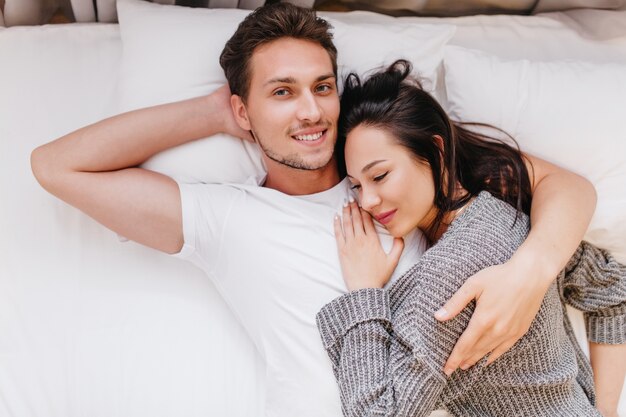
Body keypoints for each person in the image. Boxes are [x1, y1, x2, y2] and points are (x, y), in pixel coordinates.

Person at [30, 3, 599, 415]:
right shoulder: (228, 216)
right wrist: (214, 112)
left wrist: (532, 270)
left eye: (322, 87)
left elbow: (565, 189)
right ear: (243, 110)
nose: (310, 111)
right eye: (282, 92)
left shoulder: (399, 174)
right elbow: (56, 166)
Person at [316, 60, 626, 417]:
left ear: (434, 151)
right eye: (356, 186)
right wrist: (603, 410)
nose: (367, 201)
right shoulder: (511, 218)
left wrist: (364, 293)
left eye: (381, 175)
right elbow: (611, 290)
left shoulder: (448, 276)